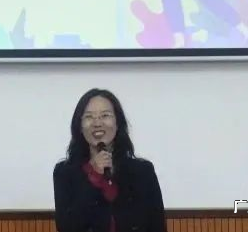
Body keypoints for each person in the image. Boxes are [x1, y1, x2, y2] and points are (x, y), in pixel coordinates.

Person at [53, 89, 167, 232]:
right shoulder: (65, 173)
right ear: (80, 127)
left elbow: (157, 225)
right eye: (89, 117)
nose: (97, 123)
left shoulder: (143, 172)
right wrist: (94, 175)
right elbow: (66, 227)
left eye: (105, 115)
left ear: (118, 123)